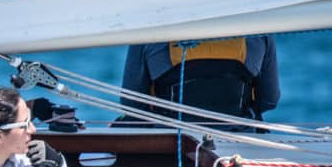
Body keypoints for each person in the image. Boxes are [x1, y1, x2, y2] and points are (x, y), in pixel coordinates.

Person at [119, 35, 280, 126]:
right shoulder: (258, 33)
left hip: (170, 140)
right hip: (237, 139)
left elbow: (132, 104)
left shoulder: (151, 33)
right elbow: (269, 100)